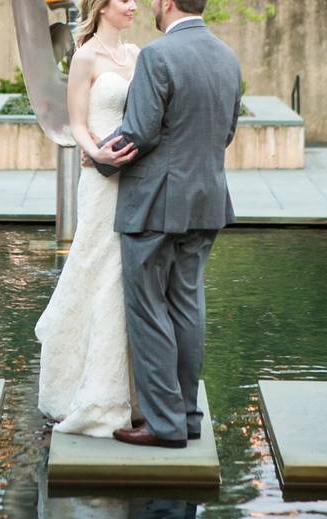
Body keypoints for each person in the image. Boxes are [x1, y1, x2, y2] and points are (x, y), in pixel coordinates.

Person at [93, 0, 241, 448]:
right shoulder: (227, 56)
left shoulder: (158, 55)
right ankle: (188, 417)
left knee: (149, 309)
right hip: (207, 200)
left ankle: (163, 424)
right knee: (187, 305)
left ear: (168, 4)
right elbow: (227, 130)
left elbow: (139, 130)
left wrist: (100, 158)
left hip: (155, 203)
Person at [35, 0, 143, 438]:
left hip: (136, 179)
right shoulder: (85, 57)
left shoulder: (137, 56)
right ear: (103, 6)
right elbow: (76, 122)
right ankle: (83, 392)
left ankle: (130, 393)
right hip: (100, 182)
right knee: (93, 267)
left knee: (122, 277)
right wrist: (95, 151)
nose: (134, 5)